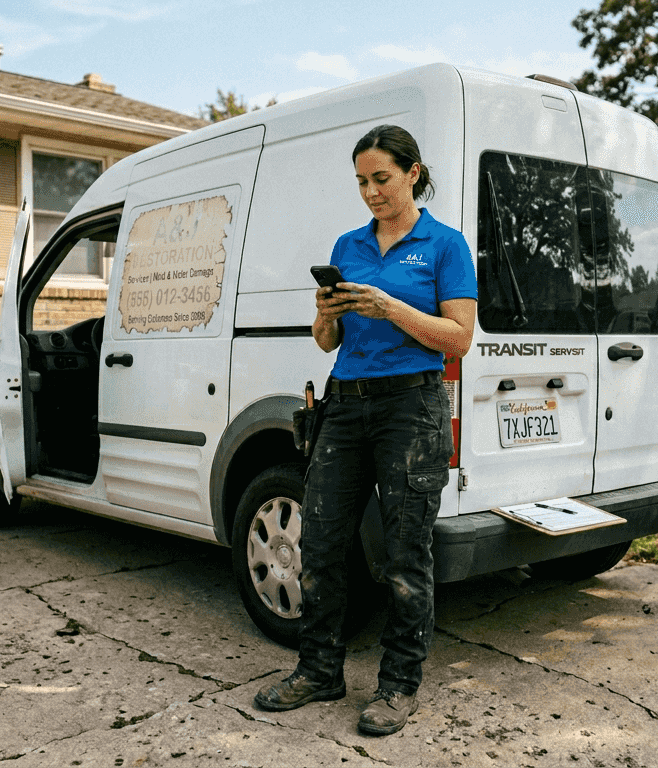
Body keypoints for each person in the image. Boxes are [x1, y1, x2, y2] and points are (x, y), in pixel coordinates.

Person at [253, 125, 477, 736]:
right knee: (320, 544)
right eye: (361, 182)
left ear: (412, 173)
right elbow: (326, 341)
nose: (371, 192)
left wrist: (392, 307)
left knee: (406, 552)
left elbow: (459, 338)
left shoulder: (445, 245)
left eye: (381, 178)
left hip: (412, 406)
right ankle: (319, 670)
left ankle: (399, 685)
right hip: (346, 404)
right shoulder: (348, 244)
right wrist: (325, 317)